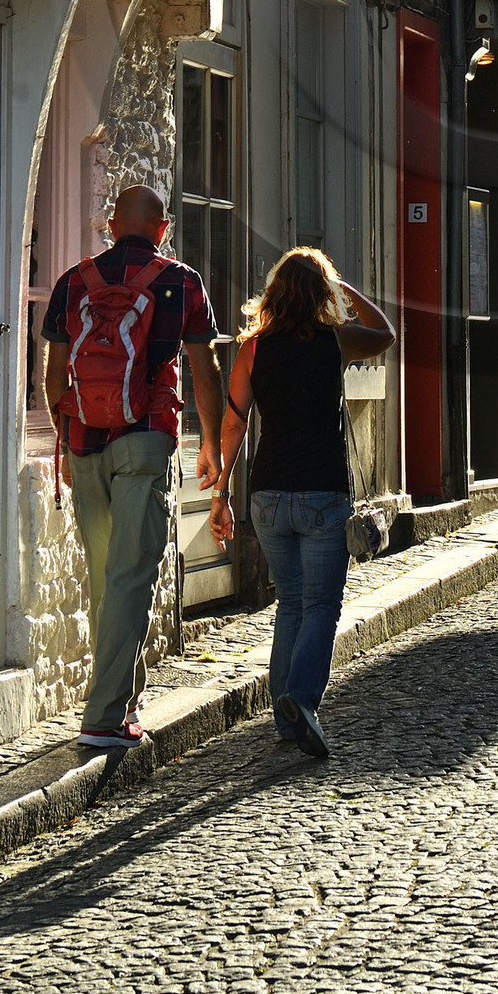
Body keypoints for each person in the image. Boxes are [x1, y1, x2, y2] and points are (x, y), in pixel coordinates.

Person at [44, 185, 224, 750]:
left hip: (84, 441)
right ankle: (103, 720)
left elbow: (52, 375)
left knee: (106, 577)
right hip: (145, 438)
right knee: (130, 574)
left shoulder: (73, 281)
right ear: (163, 229)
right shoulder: (181, 281)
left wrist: (66, 437)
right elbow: (205, 367)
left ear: (112, 225)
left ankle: (122, 702)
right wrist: (212, 442)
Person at [206, 247, 394, 761]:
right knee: (322, 605)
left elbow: (234, 424)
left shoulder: (253, 350)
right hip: (321, 494)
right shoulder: (337, 340)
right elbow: (386, 334)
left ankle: (286, 720)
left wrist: (221, 495)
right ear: (323, 295)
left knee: (290, 602)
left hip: (267, 496)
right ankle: (302, 699)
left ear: (274, 293)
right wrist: (348, 292)